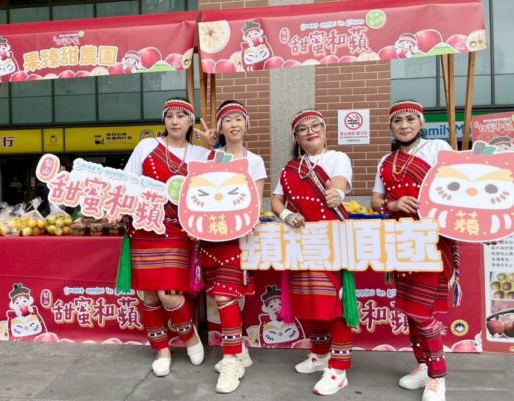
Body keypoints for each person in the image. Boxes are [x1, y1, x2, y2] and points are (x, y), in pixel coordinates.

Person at [371, 100, 459, 401]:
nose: (404, 125)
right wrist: (393, 204)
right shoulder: (386, 160)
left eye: (410, 119)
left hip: (431, 241)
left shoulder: (437, 148)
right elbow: (375, 201)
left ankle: (437, 376)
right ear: (391, 127)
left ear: (421, 123)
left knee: (422, 312)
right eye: (397, 121)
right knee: (410, 310)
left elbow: (457, 188)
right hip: (401, 241)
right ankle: (423, 364)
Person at [123, 97, 209, 377]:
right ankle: (162, 350)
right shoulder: (147, 146)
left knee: (168, 294)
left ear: (190, 122)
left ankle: (190, 338)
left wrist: (216, 145)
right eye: (169, 115)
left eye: (181, 116)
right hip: (145, 228)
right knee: (149, 295)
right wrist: (116, 208)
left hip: (178, 231)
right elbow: (127, 182)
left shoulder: (201, 154)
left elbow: (223, 178)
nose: (174, 121)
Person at [271, 109, 354, 396]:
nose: (310, 131)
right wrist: (286, 216)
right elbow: (276, 201)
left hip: (331, 241)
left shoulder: (337, 158)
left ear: (324, 129)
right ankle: (320, 355)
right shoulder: (289, 168)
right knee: (311, 301)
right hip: (302, 242)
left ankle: (339, 370)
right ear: (296, 138)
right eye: (302, 129)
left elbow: (339, 183)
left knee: (335, 305)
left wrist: (336, 194)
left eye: (315, 125)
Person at [196, 100, 267, 393]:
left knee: (227, 296)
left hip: (239, 238)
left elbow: (256, 202)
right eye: (227, 120)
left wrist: (246, 221)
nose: (234, 124)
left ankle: (230, 360)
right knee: (222, 297)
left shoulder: (255, 160)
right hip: (211, 237)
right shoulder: (212, 157)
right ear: (221, 128)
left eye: (239, 119)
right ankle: (240, 351)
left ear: (246, 124)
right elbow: (200, 195)